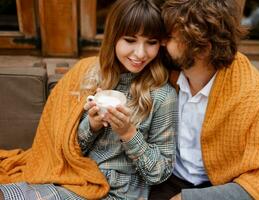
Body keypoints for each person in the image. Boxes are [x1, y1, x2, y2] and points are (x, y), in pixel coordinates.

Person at [0, 0, 177, 199]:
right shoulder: (88, 74)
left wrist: (128, 133)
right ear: (113, 37)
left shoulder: (163, 96)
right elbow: (65, 148)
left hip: (117, 193)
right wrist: (91, 126)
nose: (140, 53)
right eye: (130, 40)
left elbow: (160, 173)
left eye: (151, 43)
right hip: (75, 178)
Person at [149, 0, 259, 199]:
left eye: (170, 37)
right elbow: (109, 65)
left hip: (218, 186)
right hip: (163, 179)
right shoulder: (164, 67)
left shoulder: (251, 93)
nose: (163, 43)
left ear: (202, 47)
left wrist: (189, 199)